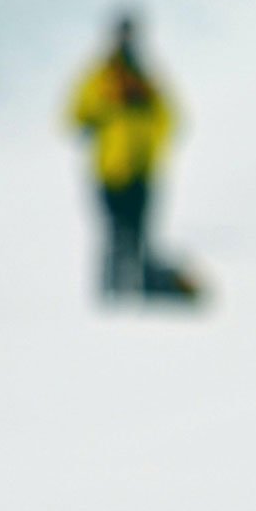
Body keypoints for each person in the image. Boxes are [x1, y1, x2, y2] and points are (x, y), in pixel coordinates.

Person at [69, 15, 175, 299]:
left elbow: (169, 118)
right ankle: (112, 290)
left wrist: (151, 141)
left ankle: (141, 288)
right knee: (114, 233)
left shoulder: (148, 78)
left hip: (143, 168)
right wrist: (106, 110)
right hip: (111, 169)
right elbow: (76, 116)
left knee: (140, 234)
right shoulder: (100, 77)